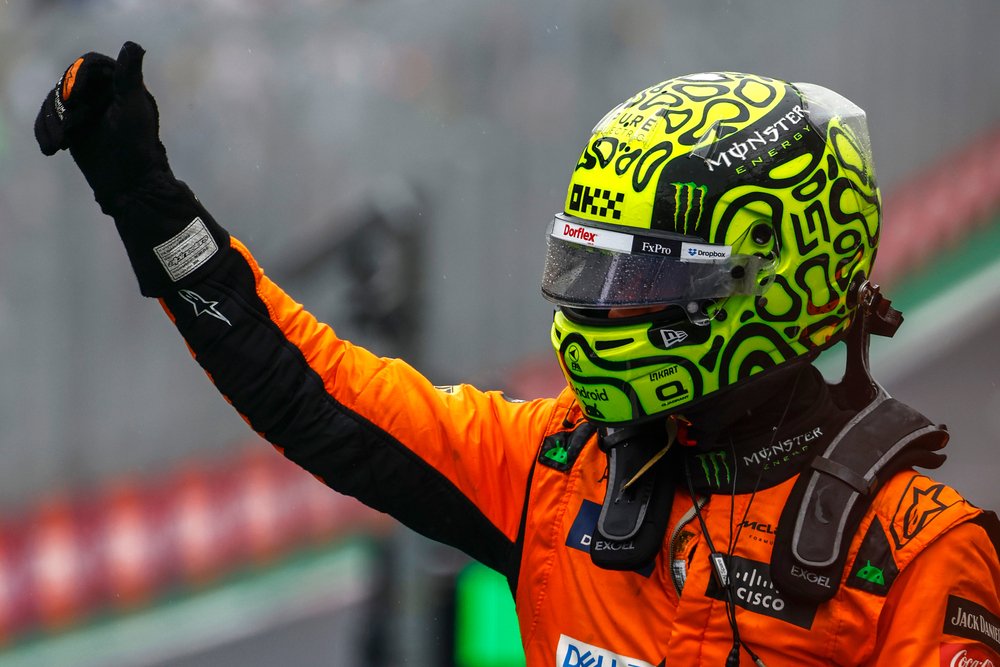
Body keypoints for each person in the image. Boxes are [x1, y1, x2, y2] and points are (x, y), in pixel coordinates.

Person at [35, 42, 1000, 666]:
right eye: (589, 270)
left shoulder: (919, 557)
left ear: (774, 281)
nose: (600, 309)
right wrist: (148, 203)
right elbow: (316, 392)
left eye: (638, 279)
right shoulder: (553, 469)